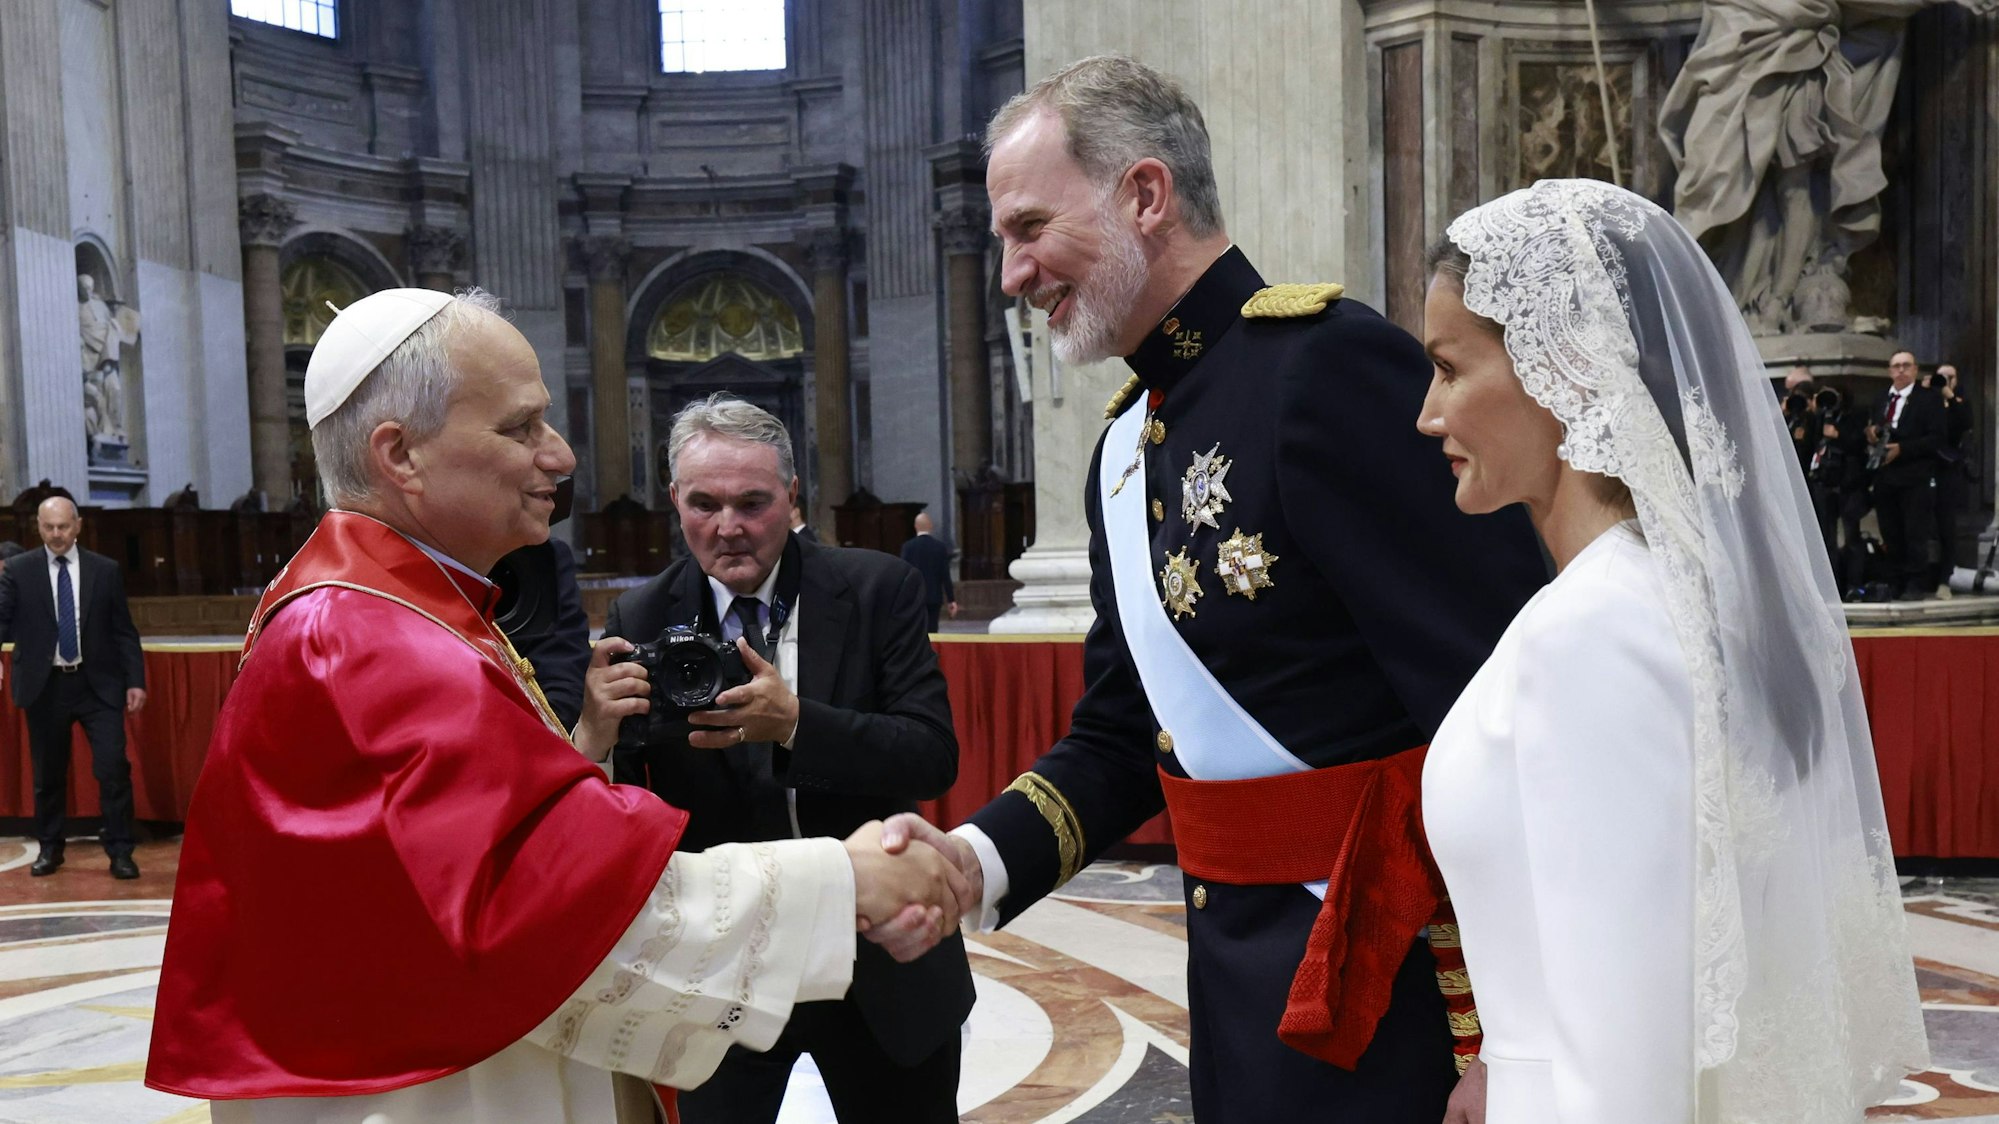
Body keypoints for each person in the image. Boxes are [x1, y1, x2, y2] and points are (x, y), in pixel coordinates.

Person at [870, 54, 1548, 1123]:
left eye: (1029, 227)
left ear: (1145, 196)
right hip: (1245, 991)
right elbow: (1117, 736)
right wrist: (972, 859)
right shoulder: (1123, 449)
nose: (1010, 273)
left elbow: (1504, 705)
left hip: (1396, 981)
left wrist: (1515, 1032)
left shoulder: (1326, 368)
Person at [145, 288, 968, 1124]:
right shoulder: (367, 636)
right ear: (401, 456)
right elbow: (537, 904)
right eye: (519, 427)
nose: (562, 455)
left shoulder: (405, 611)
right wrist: (843, 877)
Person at [1416, 178, 1926, 1121]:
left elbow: (1626, 1057)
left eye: (1449, 369)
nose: (1427, 414)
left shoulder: (1592, 632)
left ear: (1562, 366)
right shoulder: (1663, 599)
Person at [606, 394, 971, 1124]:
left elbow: (931, 758)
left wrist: (798, 724)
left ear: (793, 495)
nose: (727, 528)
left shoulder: (877, 588)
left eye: (753, 503)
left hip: (881, 958)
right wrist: (597, 729)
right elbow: (625, 803)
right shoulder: (640, 616)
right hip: (725, 970)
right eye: (703, 503)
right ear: (673, 500)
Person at [0, 496, 147, 879]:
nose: (56, 535)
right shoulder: (18, 570)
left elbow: (123, 632)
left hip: (98, 684)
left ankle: (119, 851)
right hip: (45, 686)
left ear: (78, 525)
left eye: (63, 526)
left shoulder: (105, 570)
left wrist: (135, 681)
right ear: (38, 527)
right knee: (48, 775)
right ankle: (50, 848)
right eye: (48, 527)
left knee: (113, 767)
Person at [1869, 350, 1948, 599]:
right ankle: (1894, 580)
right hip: (1885, 476)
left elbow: (1937, 438)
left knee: (1915, 532)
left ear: (1915, 369)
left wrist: (1903, 449)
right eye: (1896, 366)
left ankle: (1916, 582)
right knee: (1890, 531)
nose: (1901, 370)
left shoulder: (1929, 399)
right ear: (1890, 370)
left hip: (1915, 475)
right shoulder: (1880, 398)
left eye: (1906, 365)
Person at [1932, 363, 1973, 576]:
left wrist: (1949, 397)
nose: (1946, 381)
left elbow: (1965, 423)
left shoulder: (1960, 403)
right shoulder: (1927, 401)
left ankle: (1945, 576)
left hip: (1948, 469)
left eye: (1951, 377)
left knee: (1947, 524)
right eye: (1941, 377)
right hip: (1926, 468)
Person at [897, 512, 957, 632]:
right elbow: (945, 575)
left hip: (914, 596)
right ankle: (931, 650)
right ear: (930, 526)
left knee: (915, 630)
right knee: (932, 630)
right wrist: (951, 600)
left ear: (915, 526)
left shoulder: (907, 547)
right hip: (934, 596)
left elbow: (903, 574)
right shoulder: (940, 547)